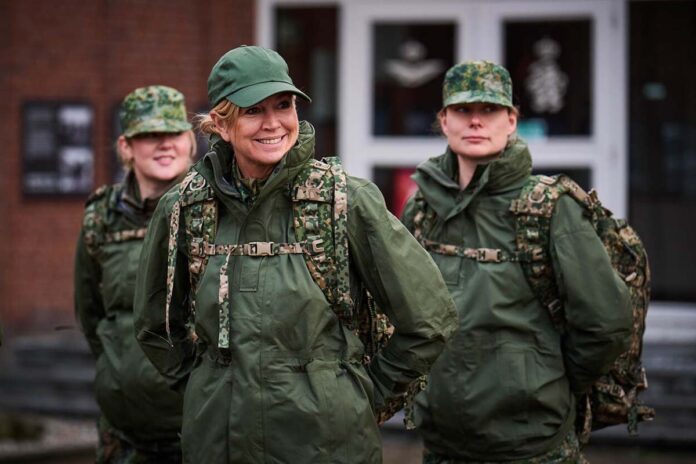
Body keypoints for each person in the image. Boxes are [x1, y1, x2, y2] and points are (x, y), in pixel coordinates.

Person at [132, 45, 457, 464]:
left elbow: (429, 320)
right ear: (221, 123)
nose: (273, 123)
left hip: (330, 446)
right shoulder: (184, 207)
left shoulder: (346, 201)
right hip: (217, 444)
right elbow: (155, 326)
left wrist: (361, 394)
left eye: (283, 105)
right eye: (253, 110)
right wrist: (206, 389)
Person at [400, 61, 633, 463]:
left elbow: (605, 324)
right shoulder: (423, 207)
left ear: (511, 120)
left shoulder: (550, 207)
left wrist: (546, 382)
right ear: (444, 121)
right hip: (442, 443)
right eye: (462, 109)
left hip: (532, 446)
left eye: (489, 110)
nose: (476, 121)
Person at [74, 85, 196, 463]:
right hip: (124, 439)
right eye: (150, 134)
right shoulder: (102, 218)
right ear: (126, 146)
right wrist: (118, 370)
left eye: (174, 132)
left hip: (198, 434)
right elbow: (91, 312)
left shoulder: (216, 209)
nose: (165, 144)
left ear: (190, 142)